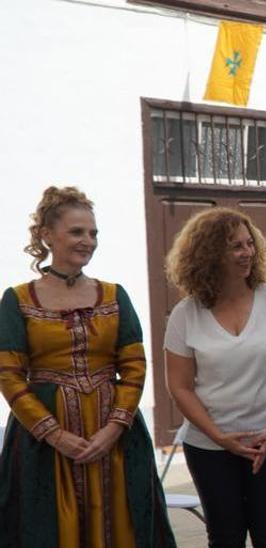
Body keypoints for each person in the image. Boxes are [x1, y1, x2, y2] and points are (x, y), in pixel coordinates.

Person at [0, 186, 176, 547]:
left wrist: (113, 429)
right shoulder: (17, 299)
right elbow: (9, 375)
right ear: (47, 235)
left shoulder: (114, 294)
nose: (88, 241)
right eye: (77, 232)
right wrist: (55, 435)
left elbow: (133, 366)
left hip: (116, 439)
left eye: (93, 233)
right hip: (43, 446)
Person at [162, 207, 266, 547]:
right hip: (211, 446)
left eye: (249, 243)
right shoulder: (186, 315)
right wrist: (219, 437)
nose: (247, 253)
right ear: (209, 254)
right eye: (235, 246)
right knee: (225, 537)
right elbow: (179, 387)